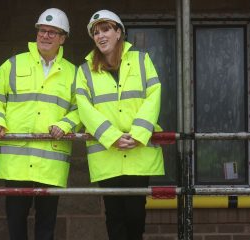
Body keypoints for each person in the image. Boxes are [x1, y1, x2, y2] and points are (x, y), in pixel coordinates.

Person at [0, 8, 80, 240]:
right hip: (17, 161)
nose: (45, 36)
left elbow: (80, 109)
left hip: (50, 164)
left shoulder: (73, 73)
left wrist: (66, 124)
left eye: (52, 32)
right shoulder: (14, 64)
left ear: (63, 38)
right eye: (42, 31)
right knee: (16, 223)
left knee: (46, 225)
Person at [75, 10, 165, 240]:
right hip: (107, 154)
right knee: (114, 216)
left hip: (138, 152)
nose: (100, 36)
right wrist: (111, 136)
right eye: (96, 32)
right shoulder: (85, 70)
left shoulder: (142, 60)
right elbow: (84, 107)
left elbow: (153, 95)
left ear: (119, 32)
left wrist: (138, 134)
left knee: (135, 215)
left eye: (106, 29)